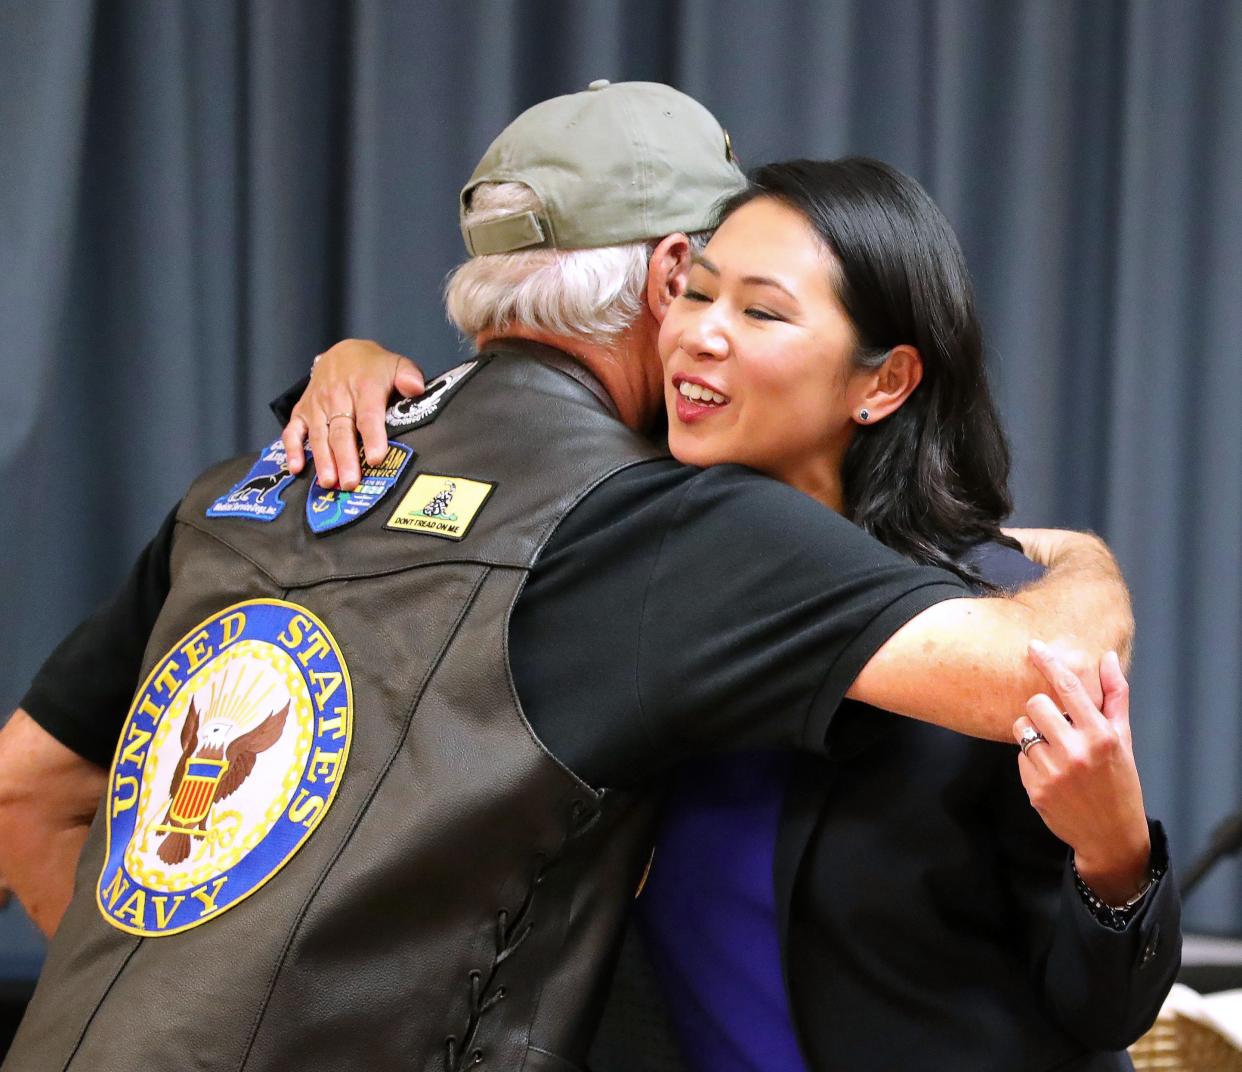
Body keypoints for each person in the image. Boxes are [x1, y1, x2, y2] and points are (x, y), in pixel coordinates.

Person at [0, 83, 1135, 1072]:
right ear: (670, 274)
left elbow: (23, 791)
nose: (712, 331)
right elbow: (1050, 670)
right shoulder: (654, 526)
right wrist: (1077, 552)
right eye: (710, 285)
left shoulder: (273, 470)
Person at [281, 161, 1179, 1072]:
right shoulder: (630, 554)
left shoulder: (981, 621)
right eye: (696, 293)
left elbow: (1100, 1011)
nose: (699, 336)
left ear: (886, 383)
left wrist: (1115, 857)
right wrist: (351, 370)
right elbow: (496, 434)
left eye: (761, 312)